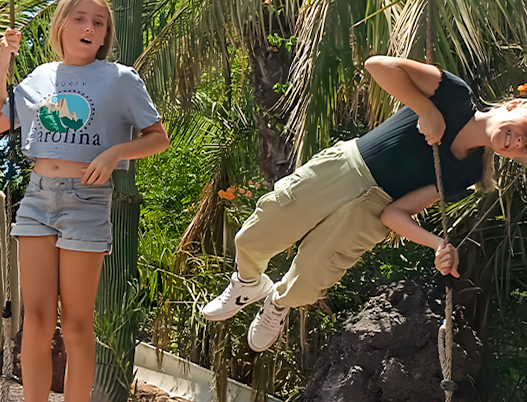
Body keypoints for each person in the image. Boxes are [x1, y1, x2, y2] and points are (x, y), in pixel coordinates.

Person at [201, 55, 527, 350]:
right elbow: (378, 65)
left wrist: (437, 244)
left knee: (310, 280)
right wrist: (426, 110)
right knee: (256, 234)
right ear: (514, 104)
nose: (520, 142)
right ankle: (248, 283)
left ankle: (278, 302)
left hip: (371, 211)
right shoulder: (454, 94)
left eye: (526, 148)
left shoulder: (467, 172)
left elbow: (394, 213)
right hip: (347, 168)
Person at [0, 0, 169, 402]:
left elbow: (157, 136)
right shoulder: (40, 76)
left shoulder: (121, 79)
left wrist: (114, 153)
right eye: (81, 18)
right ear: (62, 24)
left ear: (106, 34)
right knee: (37, 321)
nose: (90, 28)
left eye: (99, 22)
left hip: (88, 200)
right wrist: (5, 59)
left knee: (78, 322)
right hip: (38, 198)